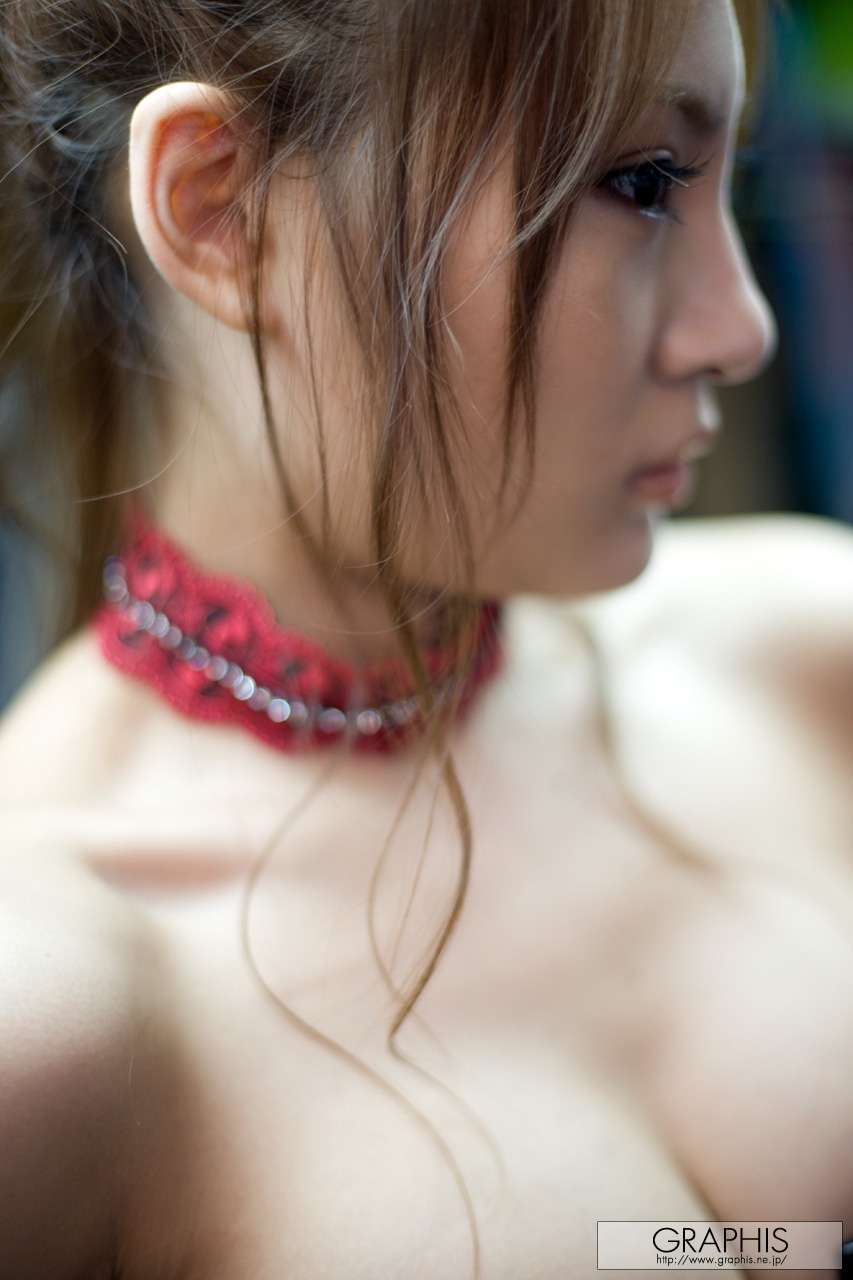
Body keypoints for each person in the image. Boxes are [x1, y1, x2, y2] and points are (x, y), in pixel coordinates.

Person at [0, 0, 851, 1276]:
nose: (737, 329)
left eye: (730, 176)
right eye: (640, 183)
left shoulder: (807, 660)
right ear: (221, 207)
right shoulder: (55, 1011)